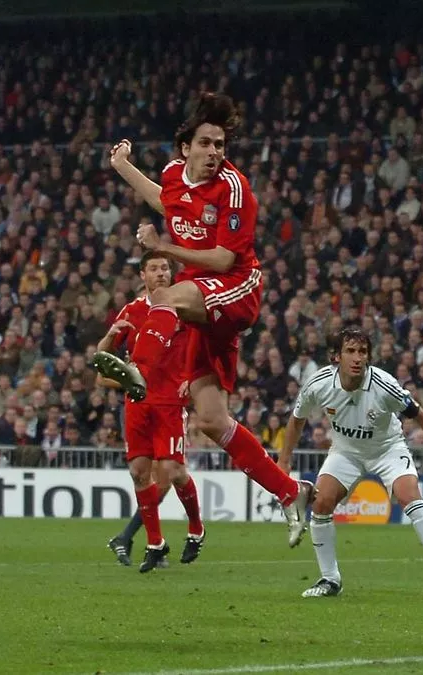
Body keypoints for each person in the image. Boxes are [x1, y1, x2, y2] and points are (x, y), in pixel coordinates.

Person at [92, 93, 313, 558]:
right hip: (202, 300)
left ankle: (138, 370)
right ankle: (290, 491)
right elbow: (165, 200)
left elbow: (225, 259)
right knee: (212, 420)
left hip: (236, 290)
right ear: (186, 148)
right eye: (207, 143)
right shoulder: (174, 174)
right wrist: (123, 167)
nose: (215, 152)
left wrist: (163, 249)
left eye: (221, 145)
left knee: (165, 297)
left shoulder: (234, 188)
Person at [279, 326, 423, 599]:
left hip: (387, 449)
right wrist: (284, 461)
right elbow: (296, 420)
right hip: (346, 451)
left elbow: (421, 416)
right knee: (321, 504)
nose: (357, 358)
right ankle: (330, 579)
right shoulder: (319, 383)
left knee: (410, 498)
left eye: (363, 352)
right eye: (350, 351)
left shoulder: (384, 385)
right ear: (336, 356)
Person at [99, 252, 204, 572]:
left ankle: (196, 528)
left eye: (165, 268)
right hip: (137, 403)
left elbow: (204, 347)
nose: (161, 273)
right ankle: (155, 543)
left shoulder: (184, 307)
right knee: (139, 472)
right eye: (154, 268)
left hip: (169, 402)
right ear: (142, 275)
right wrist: (110, 337)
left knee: (172, 472)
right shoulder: (132, 311)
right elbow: (101, 363)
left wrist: (191, 378)